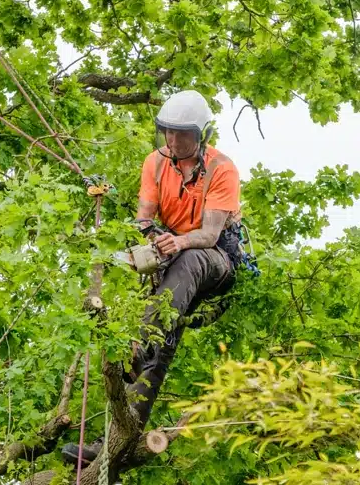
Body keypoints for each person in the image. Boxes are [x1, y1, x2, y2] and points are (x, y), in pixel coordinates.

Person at [62, 90, 242, 466]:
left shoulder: (222, 169)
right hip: (174, 265)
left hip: (215, 261)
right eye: (168, 133)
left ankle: (141, 345)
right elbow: (144, 217)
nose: (173, 141)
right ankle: (112, 443)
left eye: (182, 134)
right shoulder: (156, 163)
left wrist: (176, 242)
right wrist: (150, 239)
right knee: (161, 346)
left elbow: (208, 237)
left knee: (190, 260)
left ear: (201, 135)